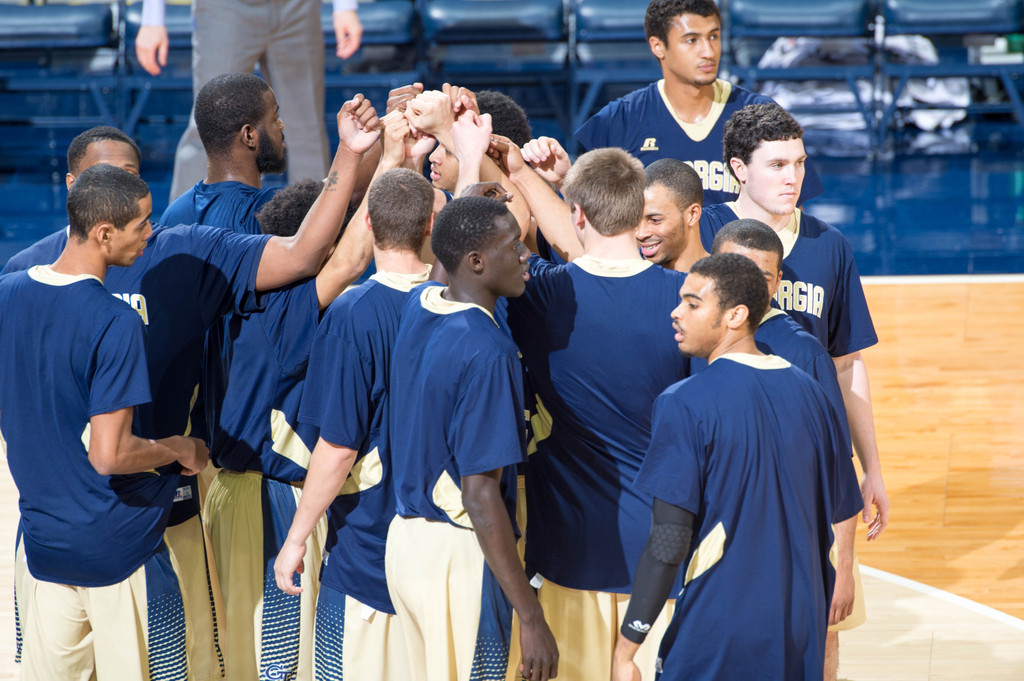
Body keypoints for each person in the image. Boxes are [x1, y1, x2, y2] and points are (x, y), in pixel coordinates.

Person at [1, 98, 374, 679]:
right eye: (115, 185)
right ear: (83, 196)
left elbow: (304, 255)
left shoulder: (177, 246)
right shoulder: (54, 290)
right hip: (108, 533)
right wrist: (179, 450)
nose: (138, 208)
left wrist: (352, 156)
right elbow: (104, 448)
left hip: (145, 522)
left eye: (134, 177)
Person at [0, 164, 210, 680]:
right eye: (142, 224)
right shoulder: (114, 319)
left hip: (43, 547)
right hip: (116, 547)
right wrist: (180, 448)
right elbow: (109, 455)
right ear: (104, 233)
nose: (150, 234)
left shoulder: (6, 295)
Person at [610, 253, 863, 681]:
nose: (676, 312)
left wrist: (627, 646)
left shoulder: (683, 402)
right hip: (801, 619)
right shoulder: (812, 393)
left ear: (736, 315)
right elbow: (839, 507)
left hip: (721, 621)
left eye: (692, 303)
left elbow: (669, 540)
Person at [494, 144, 690, 680]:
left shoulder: (540, 295)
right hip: (662, 566)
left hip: (567, 559)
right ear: (638, 209)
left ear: (578, 213)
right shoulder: (688, 301)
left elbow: (498, 243)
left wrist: (500, 168)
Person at [201, 97, 380, 681]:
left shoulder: (246, 299)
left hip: (237, 493)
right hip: (268, 502)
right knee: (276, 661)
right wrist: (391, 153)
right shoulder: (287, 309)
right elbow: (351, 256)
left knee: (249, 654)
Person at [698, 103, 890, 560]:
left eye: (800, 163)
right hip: (726, 452)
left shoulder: (830, 245)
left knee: (825, 620)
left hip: (809, 456)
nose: (793, 177)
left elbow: (846, 365)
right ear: (739, 169)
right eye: (778, 165)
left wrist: (872, 468)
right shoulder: (703, 231)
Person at [273, 164, 437, 680]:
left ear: (365, 223)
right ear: (430, 225)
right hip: (440, 550)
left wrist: (297, 537)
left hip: (366, 552)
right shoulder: (462, 304)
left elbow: (338, 446)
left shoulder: (353, 313)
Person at [384, 197, 558, 681]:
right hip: (460, 557)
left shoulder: (420, 306)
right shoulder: (491, 351)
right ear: (476, 262)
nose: (526, 255)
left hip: (403, 548)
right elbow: (480, 495)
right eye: (513, 246)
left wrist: (464, 197)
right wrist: (532, 616)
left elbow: (444, 268)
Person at [709, 218, 868, 678]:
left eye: (761, 276)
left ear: (778, 281)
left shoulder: (804, 353)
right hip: (716, 542)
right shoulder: (694, 336)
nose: (747, 285)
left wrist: (843, 567)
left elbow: (836, 468)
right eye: (735, 270)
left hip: (792, 541)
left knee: (812, 646)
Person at [574, 0, 824, 205]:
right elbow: (585, 208)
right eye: (692, 40)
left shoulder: (760, 114)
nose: (708, 51)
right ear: (658, 46)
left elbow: (792, 210)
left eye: (713, 37)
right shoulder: (622, 119)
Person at [135, 0, 363, 199]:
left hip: (299, 8)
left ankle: (321, 233)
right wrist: (152, 18)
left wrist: (345, 6)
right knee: (209, 123)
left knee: (307, 127)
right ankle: (181, 234)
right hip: (224, 8)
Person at [1, 126, 142, 275]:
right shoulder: (26, 267)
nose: (117, 184)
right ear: (72, 184)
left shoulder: (166, 254)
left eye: (129, 174)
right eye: (102, 174)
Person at [160, 72, 287, 235]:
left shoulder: (173, 214)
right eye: (274, 118)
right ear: (248, 135)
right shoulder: (269, 211)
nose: (281, 125)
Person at [638, 158, 706, 271]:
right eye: (635, 220)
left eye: (655, 220)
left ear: (693, 214)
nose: (640, 234)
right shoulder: (627, 281)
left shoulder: (726, 283)